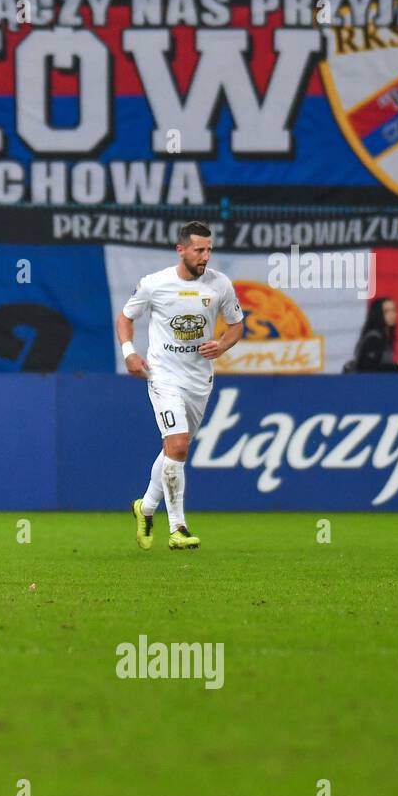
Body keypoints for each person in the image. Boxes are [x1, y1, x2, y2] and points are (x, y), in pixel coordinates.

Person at [117, 221, 244, 551]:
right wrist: (129, 353)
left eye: (209, 250)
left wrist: (223, 345)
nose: (205, 256)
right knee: (178, 445)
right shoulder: (155, 284)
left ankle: (145, 509)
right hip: (163, 376)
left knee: (174, 450)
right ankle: (178, 528)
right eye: (199, 250)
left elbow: (236, 326)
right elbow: (125, 317)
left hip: (200, 380)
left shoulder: (220, 285)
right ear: (182, 250)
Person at [347, 297, 398, 373]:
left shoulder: (386, 337)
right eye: (386, 311)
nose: (392, 314)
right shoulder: (373, 339)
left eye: (394, 310)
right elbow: (368, 368)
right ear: (378, 313)